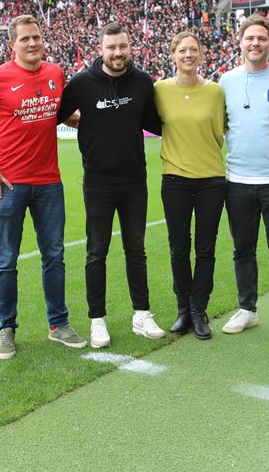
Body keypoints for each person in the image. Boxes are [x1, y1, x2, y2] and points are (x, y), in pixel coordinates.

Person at [0, 14, 87, 360]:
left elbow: (58, 114)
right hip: (9, 185)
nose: (32, 43)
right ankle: (6, 329)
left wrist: (98, 123)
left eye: (37, 37)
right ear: (12, 44)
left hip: (49, 183)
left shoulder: (56, 74)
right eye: (25, 39)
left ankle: (58, 324)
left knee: (54, 256)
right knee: (6, 260)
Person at [57, 22, 165, 348]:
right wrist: (85, 120)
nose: (117, 53)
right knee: (96, 252)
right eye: (111, 47)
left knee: (136, 250)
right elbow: (59, 115)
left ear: (130, 47)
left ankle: (142, 315)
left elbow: (155, 123)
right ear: (100, 49)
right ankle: (97, 320)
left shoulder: (144, 82)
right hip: (98, 183)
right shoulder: (81, 83)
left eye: (122, 46)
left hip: (135, 181)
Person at [219, 14, 269, 341]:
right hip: (238, 182)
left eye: (261, 39)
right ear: (240, 41)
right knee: (243, 249)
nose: (255, 43)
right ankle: (248, 309)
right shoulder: (226, 81)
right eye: (249, 38)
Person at [154, 31, 226, 340]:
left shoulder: (216, 92)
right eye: (182, 50)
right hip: (175, 180)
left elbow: (224, 128)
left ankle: (200, 310)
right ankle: (183, 309)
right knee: (179, 248)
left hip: (211, 179)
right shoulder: (158, 90)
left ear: (201, 54)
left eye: (193, 49)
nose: (188, 54)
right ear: (173, 55)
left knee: (205, 249)